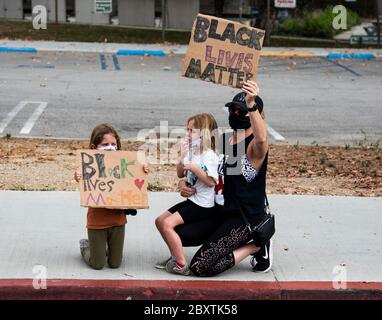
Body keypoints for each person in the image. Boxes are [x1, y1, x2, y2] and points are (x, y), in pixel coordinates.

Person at [175, 80, 272, 276]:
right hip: (220, 209)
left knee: (200, 267)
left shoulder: (255, 146)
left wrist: (251, 104)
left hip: (244, 217)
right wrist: (184, 182)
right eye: (233, 109)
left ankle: (256, 245)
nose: (236, 114)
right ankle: (225, 240)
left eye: (242, 111)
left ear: (256, 115)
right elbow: (209, 171)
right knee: (176, 233)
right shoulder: (226, 139)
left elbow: (262, 138)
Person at [74, 123, 149, 270]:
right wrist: (78, 175)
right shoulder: (89, 165)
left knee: (115, 264)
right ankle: (86, 247)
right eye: (105, 144)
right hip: (97, 222)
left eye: (113, 144)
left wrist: (143, 169)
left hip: (118, 220)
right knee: (98, 264)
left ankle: (103, 248)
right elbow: (81, 176)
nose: (110, 147)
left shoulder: (123, 164)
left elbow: (133, 179)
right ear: (94, 147)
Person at [154, 113, 220, 275]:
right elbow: (179, 174)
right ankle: (174, 256)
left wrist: (195, 169)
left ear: (204, 134)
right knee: (159, 220)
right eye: (187, 130)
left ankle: (181, 264)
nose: (188, 134)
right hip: (193, 200)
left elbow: (212, 182)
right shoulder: (193, 152)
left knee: (168, 224)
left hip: (203, 205)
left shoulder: (209, 156)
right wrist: (182, 158)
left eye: (193, 131)